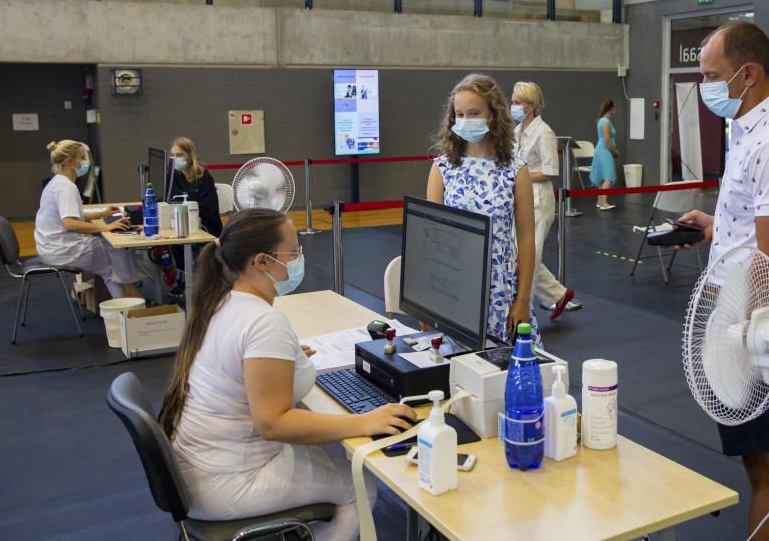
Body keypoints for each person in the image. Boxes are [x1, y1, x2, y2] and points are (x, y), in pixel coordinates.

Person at [159, 208, 416, 541]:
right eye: (293, 252)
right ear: (262, 262)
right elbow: (273, 423)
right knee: (361, 486)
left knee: (332, 457)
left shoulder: (223, 301)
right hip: (227, 481)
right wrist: (365, 421)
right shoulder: (263, 322)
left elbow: (242, 364)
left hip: (198, 470)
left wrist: (283, 360)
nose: (299, 259)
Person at [677, 20, 769, 540]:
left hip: (761, 317)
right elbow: (757, 228)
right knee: (758, 460)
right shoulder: (747, 131)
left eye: (712, 75)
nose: (705, 86)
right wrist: (717, 229)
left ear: (749, 73)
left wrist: (738, 339)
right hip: (740, 309)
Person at [426, 74, 539, 347]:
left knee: (507, 372)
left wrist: (522, 300)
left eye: (474, 113)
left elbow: (525, 239)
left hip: (502, 286)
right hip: (454, 286)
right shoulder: (442, 169)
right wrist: (429, 302)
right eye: (460, 114)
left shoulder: (516, 170)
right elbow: (430, 238)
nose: (466, 120)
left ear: (492, 114)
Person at [510, 81, 582, 321]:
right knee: (520, 254)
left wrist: (520, 176)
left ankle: (524, 317)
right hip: (520, 196)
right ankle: (559, 295)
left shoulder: (544, 132)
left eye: (517, 103)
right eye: (513, 102)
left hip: (539, 198)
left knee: (529, 256)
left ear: (530, 106)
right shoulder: (517, 131)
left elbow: (551, 171)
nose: (513, 106)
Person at [34, 140, 142, 299]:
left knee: (112, 258)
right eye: (83, 157)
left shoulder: (57, 182)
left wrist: (101, 214)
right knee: (115, 250)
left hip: (50, 249)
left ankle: (129, 299)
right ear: (70, 162)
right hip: (61, 252)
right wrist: (105, 227)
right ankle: (130, 301)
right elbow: (69, 223)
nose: (86, 162)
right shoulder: (66, 187)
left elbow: (71, 214)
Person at [167, 137, 222, 238]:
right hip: (180, 224)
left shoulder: (203, 176)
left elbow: (209, 209)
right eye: (173, 155)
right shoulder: (172, 176)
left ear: (189, 155)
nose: (175, 159)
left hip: (204, 226)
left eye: (179, 155)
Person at [590, 99, 620, 210]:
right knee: (608, 176)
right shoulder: (606, 122)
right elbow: (607, 140)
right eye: (614, 107)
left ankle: (600, 201)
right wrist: (615, 151)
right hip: (605, 151)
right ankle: (604, 203)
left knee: (602, 177)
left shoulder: (601, 120)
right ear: (611, 108)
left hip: (600, 150)